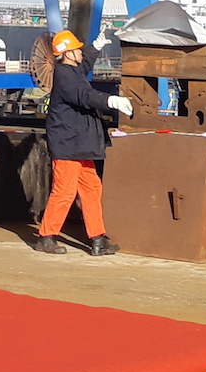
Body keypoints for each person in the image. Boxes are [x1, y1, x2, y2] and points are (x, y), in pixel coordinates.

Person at [31, 29, 132, 256]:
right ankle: (46, 236)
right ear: (68, 53)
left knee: (92, 189)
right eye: (77, 48)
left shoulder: (70, 70)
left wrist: (96, 47)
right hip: (69, 145)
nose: (80, 51)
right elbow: (84, 95)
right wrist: (111, 100)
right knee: (64, 191)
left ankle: (98, 239)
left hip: (78, 144)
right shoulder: (66, 77)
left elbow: (84, 65)